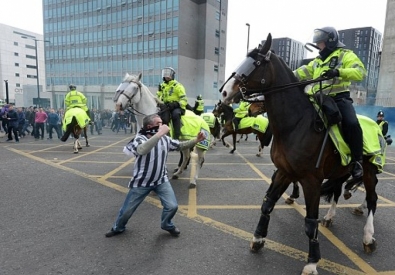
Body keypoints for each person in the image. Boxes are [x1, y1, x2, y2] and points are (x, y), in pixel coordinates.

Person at [105, 113, 205, 238]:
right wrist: (159, 134)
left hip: (161, 180)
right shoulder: (140, 138)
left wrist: (196, 140)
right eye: (158, 124)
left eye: (162, 123)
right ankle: (118, 227)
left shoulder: (165, 139)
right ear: (149, 126)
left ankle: (166, 224)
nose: (162, 126)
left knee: (172, 206)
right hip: (142, 182)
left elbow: (180, 145)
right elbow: (142, 150)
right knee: (126, 211)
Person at [293, 26, 366, 181]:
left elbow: (360, 72)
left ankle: (357, 161)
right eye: (318, 43)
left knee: (352, 123)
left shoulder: (346, 55)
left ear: (331, 41)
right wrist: (283, 75)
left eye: (321, 43)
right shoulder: (317, 62)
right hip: (319, 99)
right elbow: (300, 73)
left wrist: (339, 72)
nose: (319, 46)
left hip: (339, 99)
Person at [157, 67, 188, 140]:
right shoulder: (162, 86)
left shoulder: (178, 86)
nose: (167, 76)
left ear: (172, 76)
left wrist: (176, 104)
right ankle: (164, 135)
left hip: (177, 107)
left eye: (168, 74)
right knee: (160, 116)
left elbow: (184, 99)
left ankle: (177, 136)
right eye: (165, 74)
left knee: (175, 114)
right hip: (166, 106)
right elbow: (158, 97)